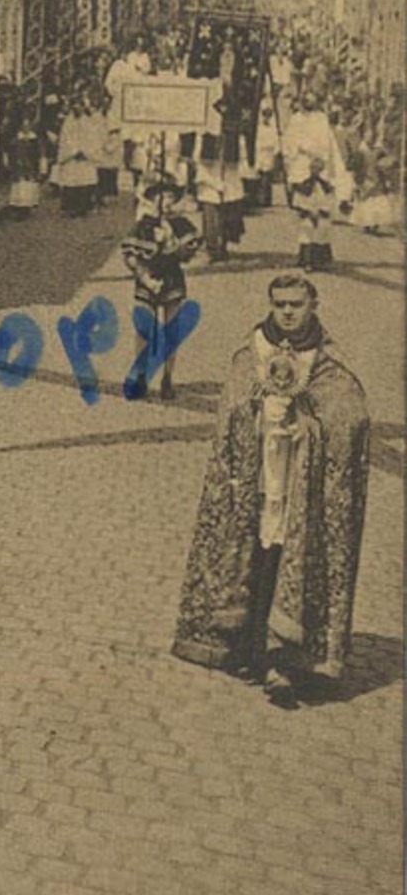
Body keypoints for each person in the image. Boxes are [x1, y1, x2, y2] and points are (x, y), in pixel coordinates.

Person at [172, 276, 370, 709]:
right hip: (259, 474)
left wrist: (311, 427)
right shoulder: (250, 355)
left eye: (297, 304)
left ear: (314, 304)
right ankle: (245, 648)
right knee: (256, 556)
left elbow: (350, 417)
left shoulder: (331, 365)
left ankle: (282, 664)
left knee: (288, 557)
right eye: (280, 304)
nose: (287, 312)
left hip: (302, 483)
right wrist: (256, 414)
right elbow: (230, 415)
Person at [122, 154, 201, 401]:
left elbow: (189, 252)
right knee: (144, 329)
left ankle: (168, 377)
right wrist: (144, 275)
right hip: (147, 279)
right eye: (160, 197)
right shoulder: (144, 225)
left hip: (172, 279)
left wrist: (174, 246)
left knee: (171, 330)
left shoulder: (180, 224)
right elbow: (130, 255)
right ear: (152, 199)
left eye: (169, 197)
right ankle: (141, 376)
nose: (165, 202)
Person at [283, 92, 354, 271]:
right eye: (305, 100)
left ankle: (319, 256)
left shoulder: (322, 120)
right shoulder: (295, 119)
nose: (308, 103)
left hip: (320, 173)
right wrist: (291, 154)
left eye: (311, 100)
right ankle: (305, 256)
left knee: (321, 216)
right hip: (301, 171)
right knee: (304, 217)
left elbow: (327, 147)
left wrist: (323, 164)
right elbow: (289, 143)